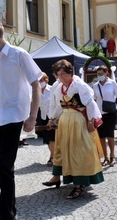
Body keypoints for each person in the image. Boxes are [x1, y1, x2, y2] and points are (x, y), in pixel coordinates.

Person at [0, 19, 42, 220]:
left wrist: (33, 116)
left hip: (13, 116)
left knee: (5, 165)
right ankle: (8, 210)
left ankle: (7, 213)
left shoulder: (19, 55)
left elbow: (36, 84)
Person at [42, 59, 104, 199]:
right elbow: (55, 105)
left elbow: (90, 103)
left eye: (63, 74)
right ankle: (56, 177)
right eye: (58, 74)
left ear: (70, 73)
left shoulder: (79, 85)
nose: (61, 77)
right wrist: (52, 118)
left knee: (79, 151)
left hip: (79, 121)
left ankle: (79, 183)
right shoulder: (57, 87)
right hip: (65, 122)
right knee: (62, 150)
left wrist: (90, 121)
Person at [92, 65, 117, 167]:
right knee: (101, 137)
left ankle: (112, 156)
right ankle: (105, 157)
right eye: (98, 74)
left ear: (106, 73)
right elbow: (94, 100)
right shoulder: (95, 86)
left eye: (101, 74)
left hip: (110, 113)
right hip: (99, 114)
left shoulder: (112, 83)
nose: (99, 76)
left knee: (110, 135)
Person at [36, 72, 54, 166]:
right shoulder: (36, 91)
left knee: (52, 138)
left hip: (52, 116)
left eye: (42, 80)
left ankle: (52, 157)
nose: (40, 82)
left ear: (46, 80)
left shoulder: (51, 89)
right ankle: (53, 156)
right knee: (47, 139)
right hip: (43, 117)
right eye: (38, 81)